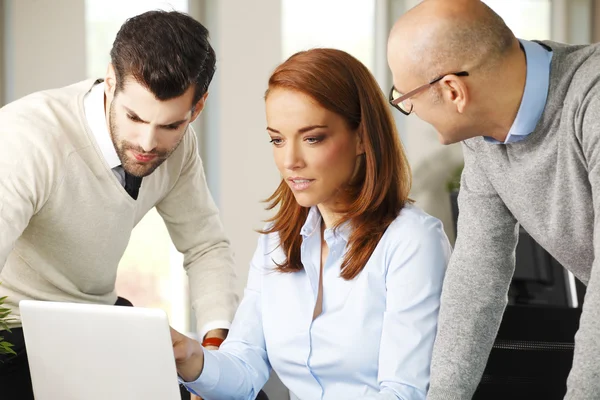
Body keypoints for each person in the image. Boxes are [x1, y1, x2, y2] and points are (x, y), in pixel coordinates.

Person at [170, 48, 451, 400]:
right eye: (277, 139)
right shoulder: (277, 241)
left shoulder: (412, 241)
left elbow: (404, 393)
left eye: (312, 138)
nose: (290, 161)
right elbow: (243, 369)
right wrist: (187, 354)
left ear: (362, 137)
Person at [0, 10, 238, 399]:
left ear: (198, 107)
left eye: (170, 125)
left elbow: (206, 246)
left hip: (98, 318)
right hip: (13, 329)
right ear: (111, 80)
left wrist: (212, 357)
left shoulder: (179, 149)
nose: (147, 143)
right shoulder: (28, 137)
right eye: (134, 116)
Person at [386, 0, 600, 399]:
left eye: (404, 98)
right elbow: (477, 276)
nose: (407, 109)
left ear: (453, 90)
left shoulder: (592, 98)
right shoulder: (485, 137)